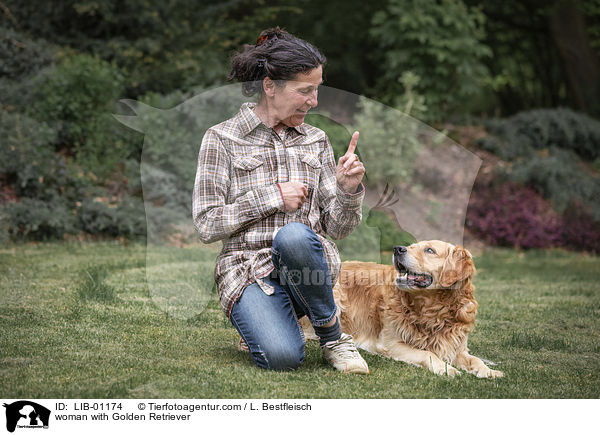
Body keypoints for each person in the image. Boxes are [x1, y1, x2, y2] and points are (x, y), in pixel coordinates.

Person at [192, 27, 368, 374]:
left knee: (294, 236)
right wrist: (272, 196)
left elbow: (337, 228)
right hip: (247, 270)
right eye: (304, 91)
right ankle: (263, 318)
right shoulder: (221, 139)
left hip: (308, 267)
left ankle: (333, 338)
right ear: (270, 86)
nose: (313, 101)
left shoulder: (315, 141)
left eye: (316, 90)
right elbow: (206, 223)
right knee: (282, 358)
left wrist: (347, 189)